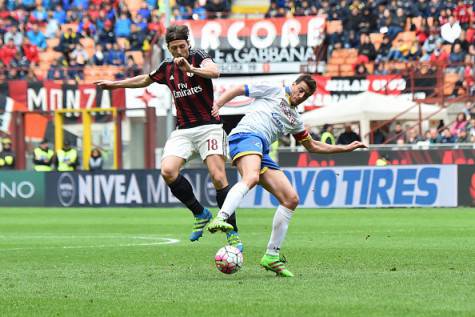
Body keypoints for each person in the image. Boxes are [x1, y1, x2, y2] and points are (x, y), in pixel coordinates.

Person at [94, 25, 240, 248]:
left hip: (209, 127)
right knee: (168, 171)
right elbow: (145, 79)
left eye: (182, 46)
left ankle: (232, 233)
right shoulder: (167, 68)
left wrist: (191, 67)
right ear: (168, 49)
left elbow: (215, 72)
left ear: (188, 44)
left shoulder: (198, 56)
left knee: (218, 176)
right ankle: (200, 213)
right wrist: (114, 85)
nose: (179, 51)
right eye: (174, 48)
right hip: (183, 130)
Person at [207, 75, 367, 277]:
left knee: (290, 199)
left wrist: (345, 148)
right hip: (245, 136)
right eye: (300, 90)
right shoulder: (274, 90)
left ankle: (271, 256)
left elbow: (312, 146)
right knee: (252, 177)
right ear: (293, 85)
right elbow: (241, 88)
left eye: (305, 95)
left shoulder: (295, 119)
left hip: (260, 149)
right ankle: (221, 217)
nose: (301, 96)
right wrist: (218, 104)